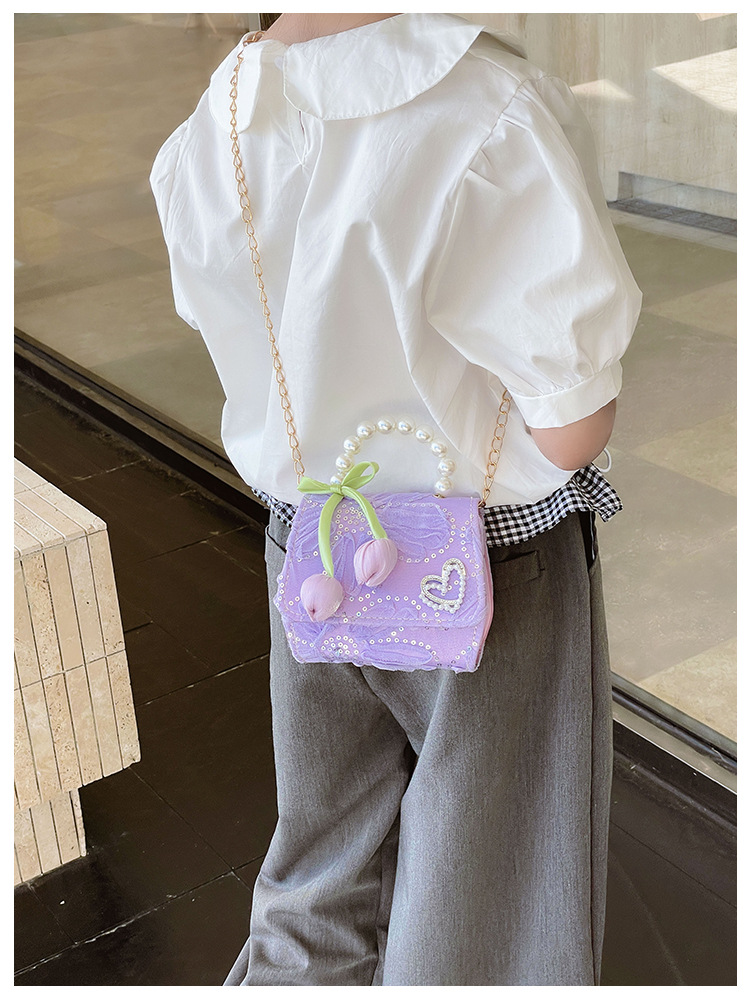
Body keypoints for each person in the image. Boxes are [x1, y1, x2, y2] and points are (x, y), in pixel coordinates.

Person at [150, 12, 642, 987]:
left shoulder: (215, 125)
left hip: (315, 545)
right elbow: (573, 427)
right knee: (489, 891)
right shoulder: (493, 111)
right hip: (487, 558)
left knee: (321, 859)